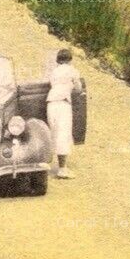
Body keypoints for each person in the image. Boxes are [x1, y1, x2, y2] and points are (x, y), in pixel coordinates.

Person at [46, 48, 84, 179]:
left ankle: (56, 165)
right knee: (63, 134)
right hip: (63, 102)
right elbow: (78, 89)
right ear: (70, 59)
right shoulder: (72, 70)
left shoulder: (54, 71)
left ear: (58, 60)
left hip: (51, 103)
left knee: (54, 133)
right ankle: (62, 169)